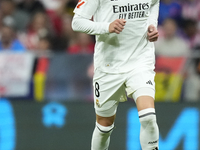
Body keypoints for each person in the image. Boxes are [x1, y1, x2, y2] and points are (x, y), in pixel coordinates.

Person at [72, 0, 160, 149]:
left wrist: (151, 24)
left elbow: (154, 3)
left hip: (140, 61)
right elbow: (77, 22)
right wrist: (107, 27)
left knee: (149, 117)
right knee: (104, 126)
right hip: (108, 66)